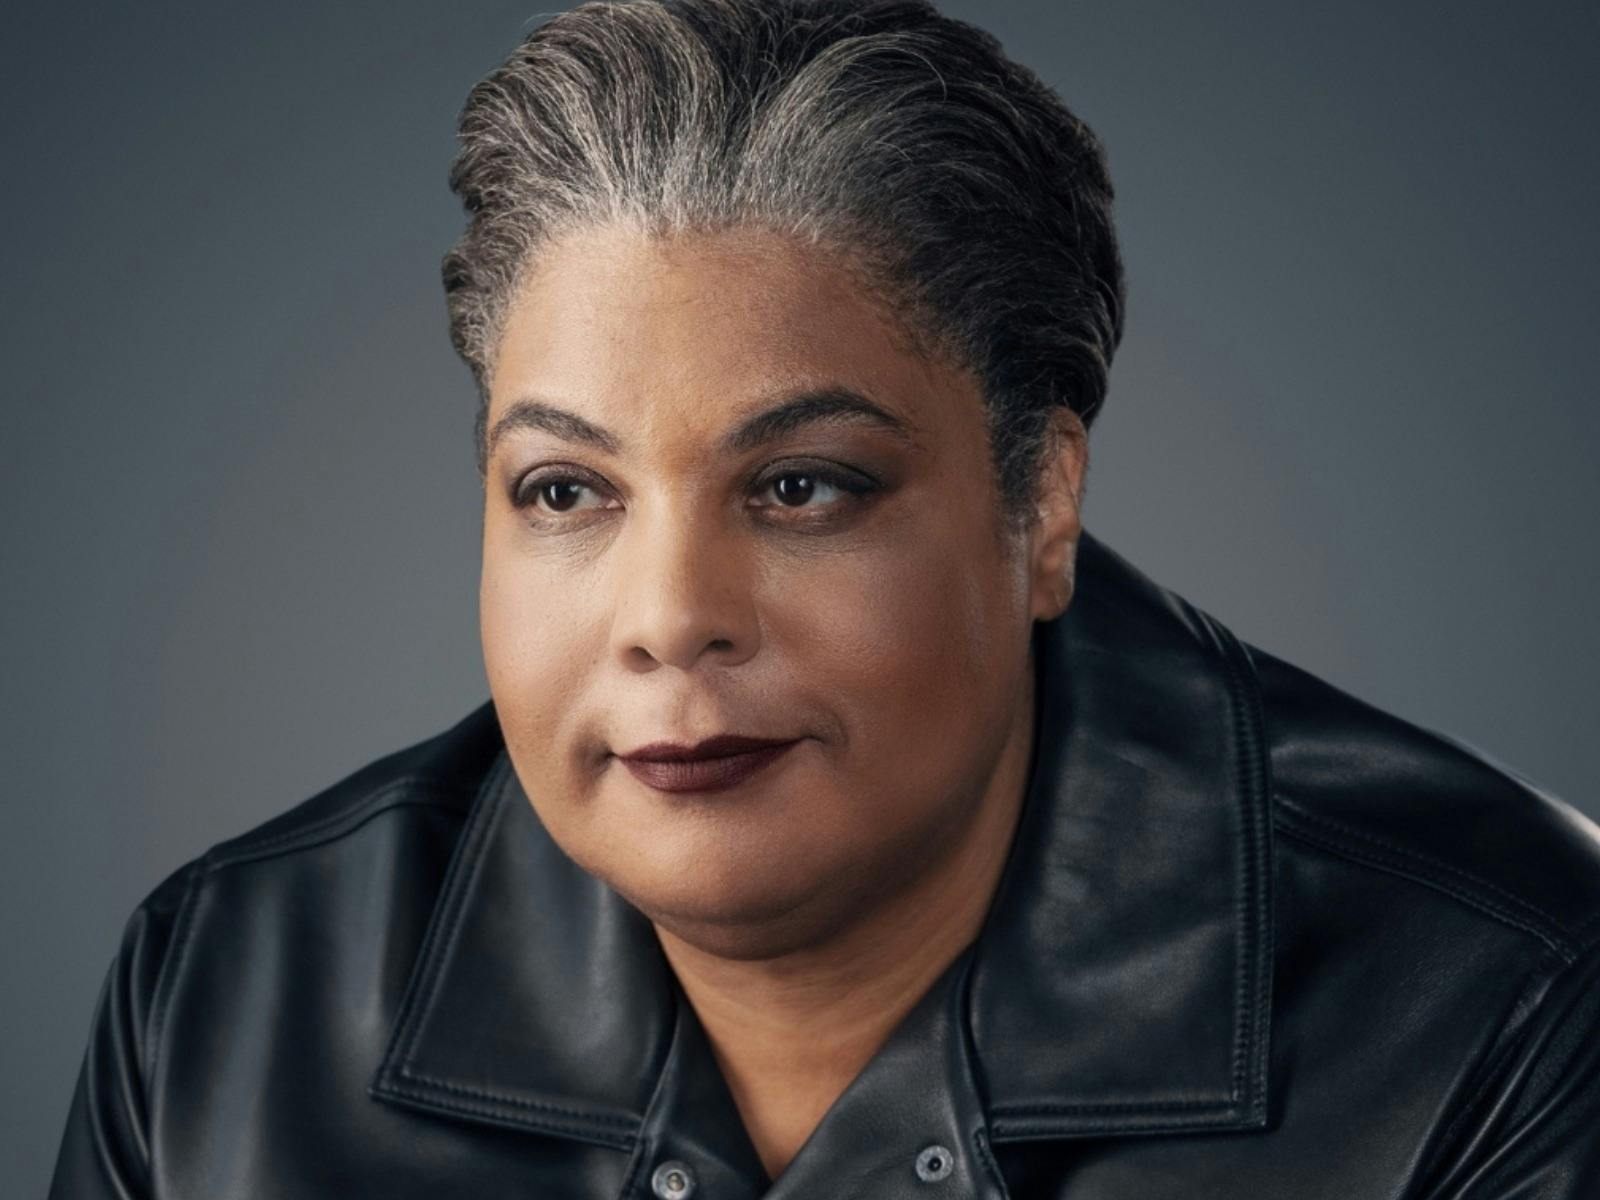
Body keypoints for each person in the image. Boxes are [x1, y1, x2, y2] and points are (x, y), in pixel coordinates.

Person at [48, 1, 1600, 1196]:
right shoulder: (221, 1000)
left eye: (801, 488)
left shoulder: (1512, 1002)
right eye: (567, 492)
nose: (669, 616)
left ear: (1040, 501)